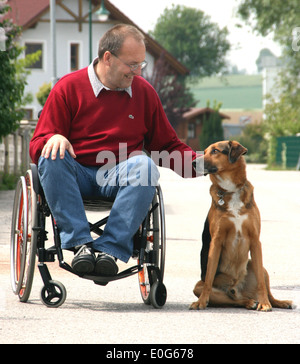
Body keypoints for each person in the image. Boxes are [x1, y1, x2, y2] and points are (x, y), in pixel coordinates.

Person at [29, 24, 199, 277]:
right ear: (107, 58)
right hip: (74, 173)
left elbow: (165, 145)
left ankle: (111, 248)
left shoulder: (144, 93)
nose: (138, 71)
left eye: (141, 64)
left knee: (144, 165)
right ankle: (80, 245)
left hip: (119, 173)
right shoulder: (68, 88)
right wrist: (53, 138)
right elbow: (37, 143)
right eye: (132, 64)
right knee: (53, 154)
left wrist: (203, 164)